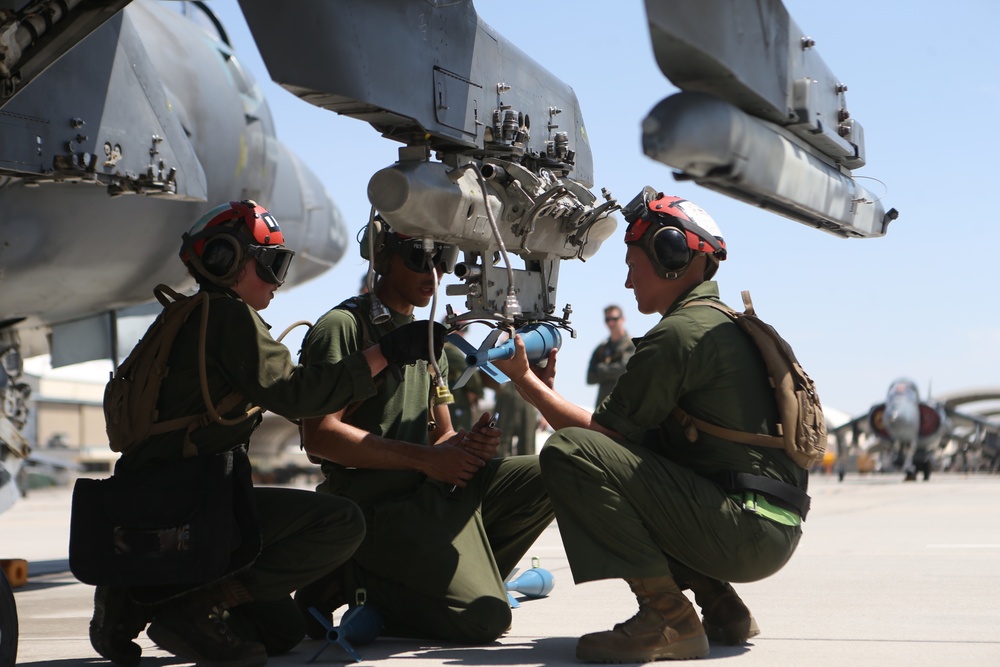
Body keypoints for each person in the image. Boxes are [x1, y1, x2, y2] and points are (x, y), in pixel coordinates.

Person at [89, 200, 443, 667]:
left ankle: (129, 601)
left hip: (151, 500)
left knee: (282, 630)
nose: (278, 282)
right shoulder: (228, 316)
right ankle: (196, 605)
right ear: (228, 262)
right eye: (271, 265)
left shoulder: (182, 315)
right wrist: (387, 351)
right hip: (195, 504)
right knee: (341, 522)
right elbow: (298, 395)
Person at [494, 189, 809, 662]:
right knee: (645, 462)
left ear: (671, 257)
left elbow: (597, 442)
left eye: (632, 264)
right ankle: (721, 605)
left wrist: (525, 383)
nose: (626, 282)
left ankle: (667, 617)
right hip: (770, 527)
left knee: (568, 453)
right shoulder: (720, 323)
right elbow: (635, 452)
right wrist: (550, 391)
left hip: (745, 533)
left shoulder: (680, 334)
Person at [295, 220, 554, 644]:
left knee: (556, 467)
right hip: (373, 509)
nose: (433, 270)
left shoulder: (431, 341)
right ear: (385, 258)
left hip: (427, 494)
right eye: (419, 257)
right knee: (484, 620)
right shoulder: (343, 328)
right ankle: (358, 578)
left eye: (442, 258)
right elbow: (319, 438)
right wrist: (426, 460)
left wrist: (470, 445)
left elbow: (442, 436)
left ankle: (445, 582)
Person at [586, 305, 635, 408]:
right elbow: (590, 378)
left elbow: (624, 370)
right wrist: (613, 370)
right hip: (603, 405)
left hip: (624, 405)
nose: (611, 323)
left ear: (622, 319)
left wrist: (602, 369)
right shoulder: (601, 349)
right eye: (607, 319)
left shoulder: (631, 346)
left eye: (614, 319)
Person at [443, 327, 484, 432]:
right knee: (459, 432)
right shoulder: (448, 349)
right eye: (461, 331)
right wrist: (476, 391)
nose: (463, 335)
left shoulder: (444, 348)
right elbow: (469, 369)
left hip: (449, 397)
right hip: (455, 398)